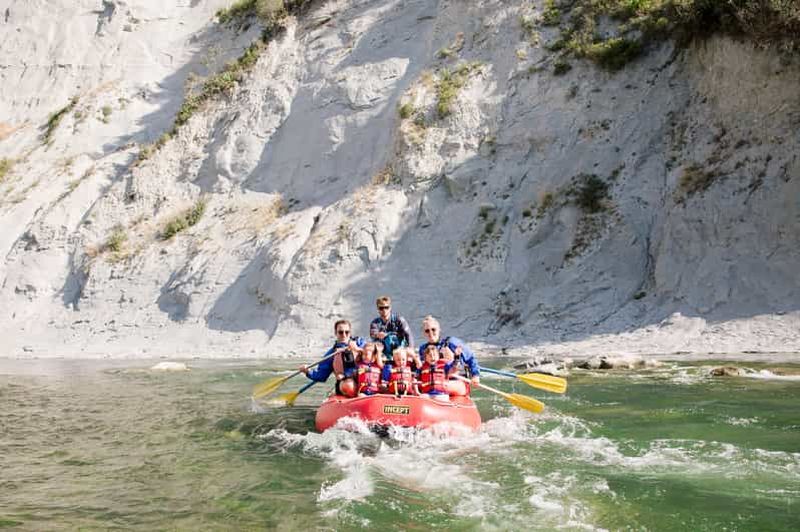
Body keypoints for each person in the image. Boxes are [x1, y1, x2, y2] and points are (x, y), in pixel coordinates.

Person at [300, 319, 365, 397]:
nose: (344, 335)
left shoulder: (360, 343)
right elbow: (321, 376)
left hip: (364, 381)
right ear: (336, 333)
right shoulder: (331, 354)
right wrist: (307, 372)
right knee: (349, 386)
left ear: (350, 333)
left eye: (347, 332)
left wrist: (357, 349)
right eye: (340, 332)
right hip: (346, 384)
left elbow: (374, 355)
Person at [417, 315, 480, 384]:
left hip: (454, 381)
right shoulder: (423, 349)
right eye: (427, 331)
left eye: (433, 329)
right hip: (434, 383)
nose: (431, 333)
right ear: (424, 333)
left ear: (439, 329)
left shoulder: (451, 342)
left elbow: (471, 358)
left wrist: (475, 375)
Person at [369, 295, 414, 361]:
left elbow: (408, 334)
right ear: (378, 309)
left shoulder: (399, 319)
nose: (384, 310)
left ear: (390, 308)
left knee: (391, 338)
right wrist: (378, 335)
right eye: (381, 308)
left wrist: (410, 349)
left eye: (386, 307)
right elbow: (373, 335)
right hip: (383, 352)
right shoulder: (374, 323)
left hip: (400, 349)